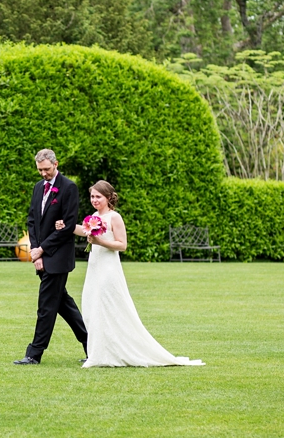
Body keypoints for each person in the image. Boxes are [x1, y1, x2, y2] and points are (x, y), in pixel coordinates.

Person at [56, 180, 205, 367]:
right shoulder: (94, 216)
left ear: (109, 197)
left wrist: (100, 242)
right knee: (92, 307)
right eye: (92, 196)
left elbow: (122, 245)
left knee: (107, 306)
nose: (94, 200)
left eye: (98, 196)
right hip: (94, 268)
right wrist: (67, 226)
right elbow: (84, 231)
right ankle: (98, 353)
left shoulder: (114, 217)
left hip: (108, 269)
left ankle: (112, 353)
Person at [13, 149, 88, 365]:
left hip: (58, 257)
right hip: (41, 257)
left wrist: (42, 249)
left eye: (47, 169)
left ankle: (33, 354)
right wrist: (35, 252)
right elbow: (32, 220)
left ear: (56, 164)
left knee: (46, 306)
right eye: (40, 170)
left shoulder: (69, 187)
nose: (44, 174)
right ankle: (92, 345)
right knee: (64, 305)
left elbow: (68, 226)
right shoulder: (38, 188)